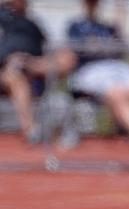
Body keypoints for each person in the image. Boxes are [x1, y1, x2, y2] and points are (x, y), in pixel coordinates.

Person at [65, 0, 129, 149]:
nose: (94, 5)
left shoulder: (107, 27)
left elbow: (120, 46)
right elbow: (79, 49)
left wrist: (120, 9)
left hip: (114, 67)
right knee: (117, 93)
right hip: (91, 70)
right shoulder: (76, 26)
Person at [0, 0, 76, 144]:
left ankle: (63, 131)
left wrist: (30, 62)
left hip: (33, 66)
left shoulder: (33, 25)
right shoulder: (3, 20)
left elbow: (50, 50)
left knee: (66, 58)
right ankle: (32, 131)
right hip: (7, 71)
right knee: (15, 75)